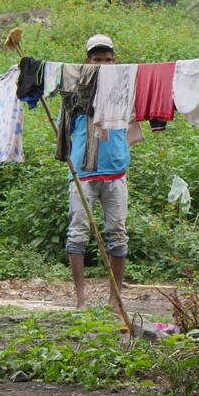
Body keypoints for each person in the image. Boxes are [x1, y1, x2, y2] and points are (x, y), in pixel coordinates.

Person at [66, 34, 130, 310]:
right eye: (97, 59)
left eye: (107, 59)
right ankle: (80, 298)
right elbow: (64, 133)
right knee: (77, 233)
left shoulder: (125, 89)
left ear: (114, 61)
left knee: (117, 233)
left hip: (115, 170)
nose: (103, 64)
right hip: (82, 172)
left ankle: (115, 299)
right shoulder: (74, 92)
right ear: (87, 60)